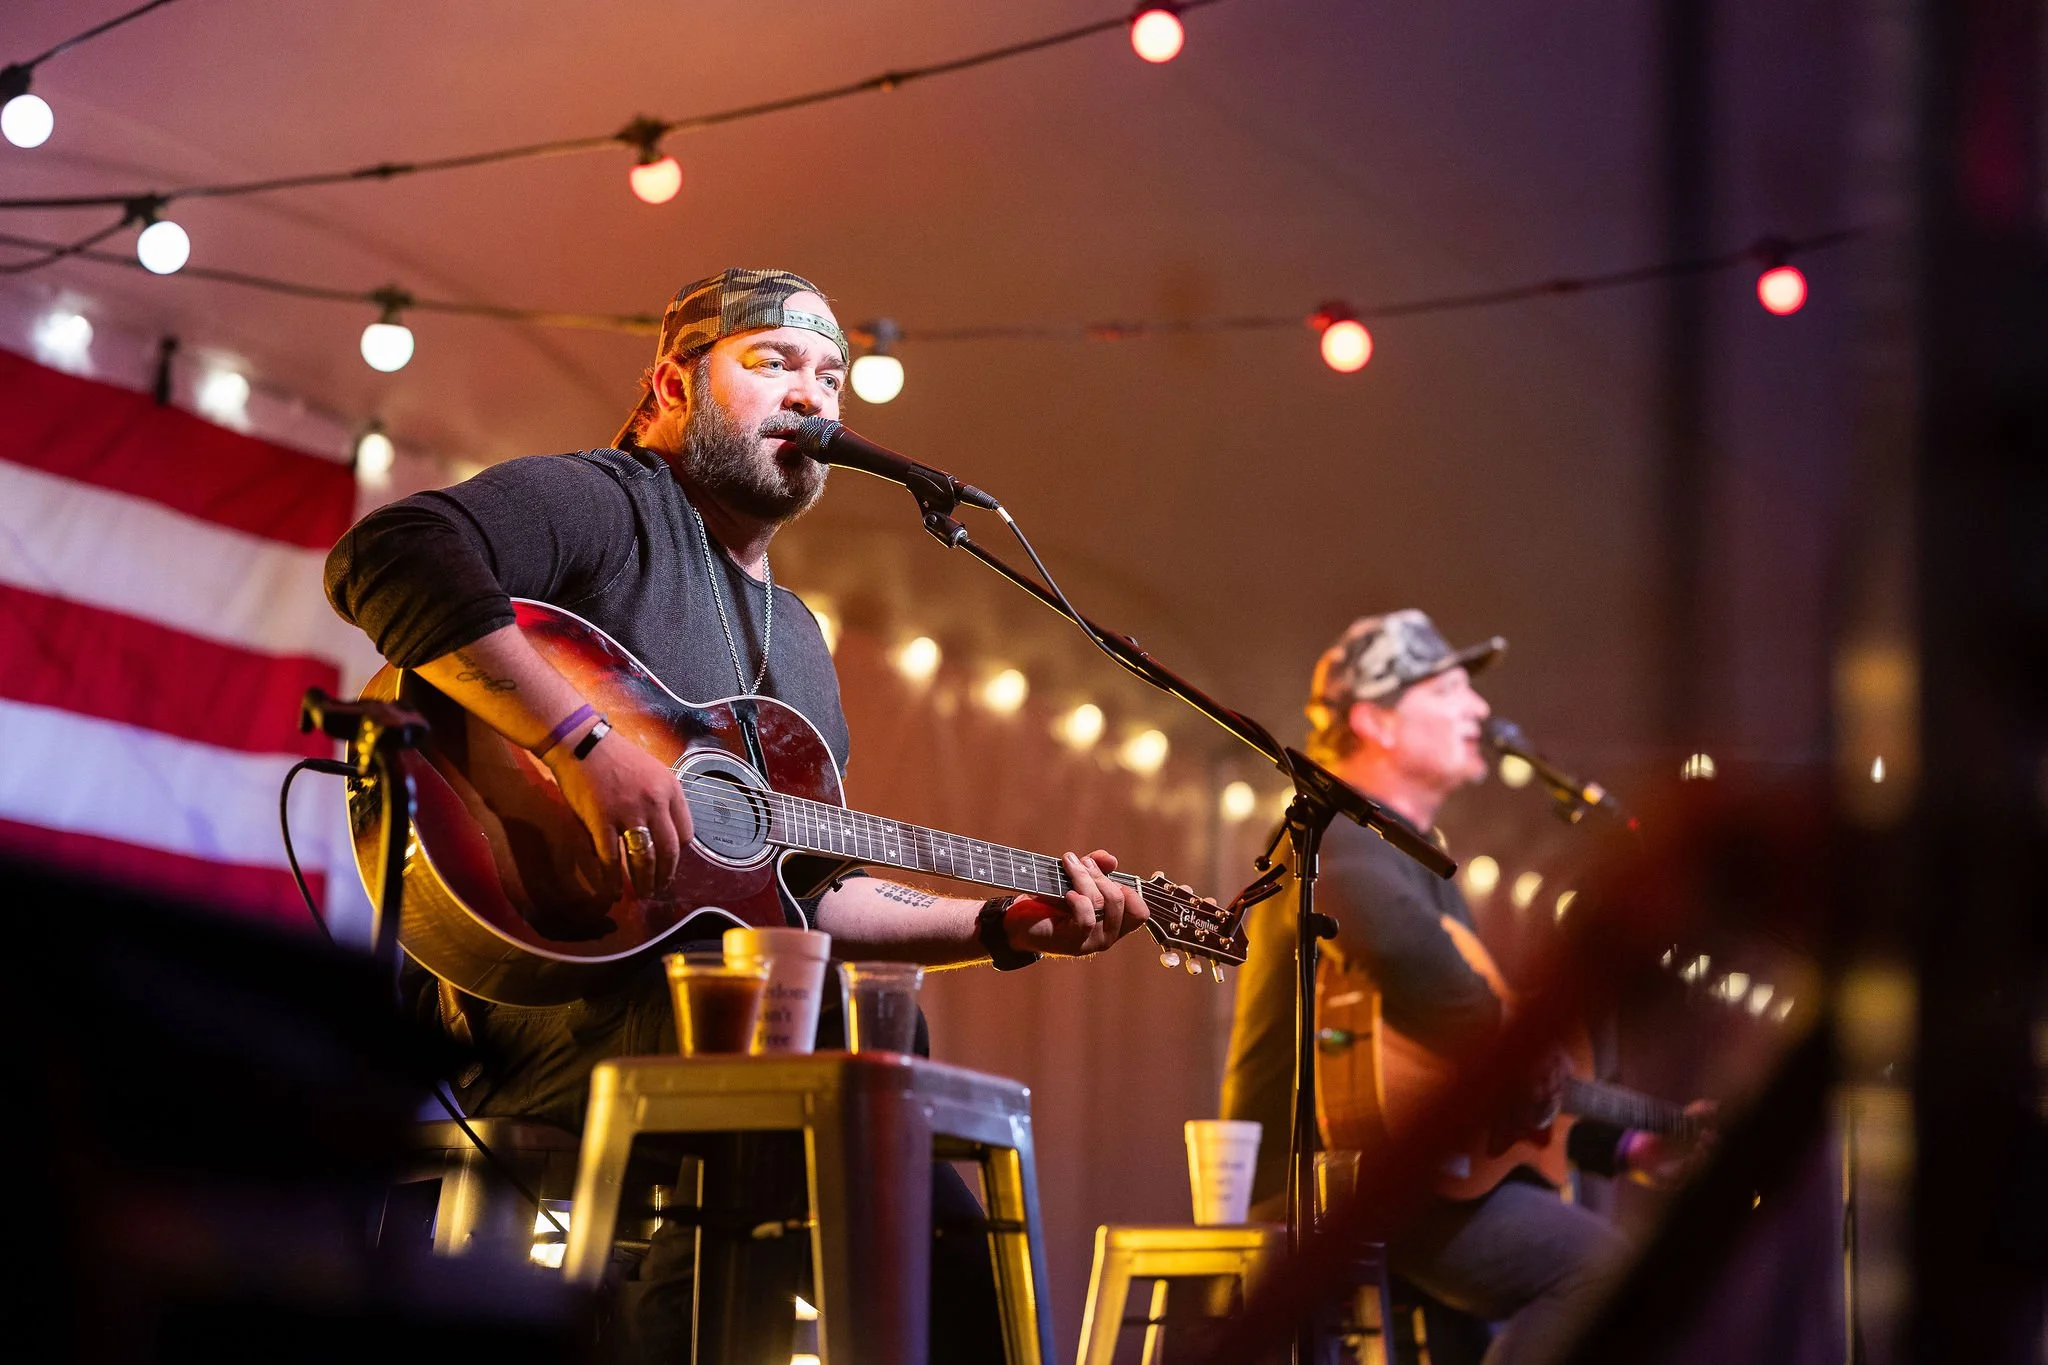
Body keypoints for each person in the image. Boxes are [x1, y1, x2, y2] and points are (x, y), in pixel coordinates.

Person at [324, 267, 1153, 1358]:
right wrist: (584, 745)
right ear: (673, 384)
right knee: (805, 1085)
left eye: (830, 376)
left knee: (922, 1187)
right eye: (771, 364)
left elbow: (808, 900)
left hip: (721, 1045)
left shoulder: (798, 640)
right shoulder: (609, 505)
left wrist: (1001, 927)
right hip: (556, 1000)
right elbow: (385, 557)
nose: (812, 396)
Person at [1219, 610, 1705, 1365]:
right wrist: (1522, 1054)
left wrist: (1625, 1138)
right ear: (1376, 719)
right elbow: (1408, 956)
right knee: (1611, 1276)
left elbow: (1481, 1053)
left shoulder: (1418, 855)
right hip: (1335, 1174)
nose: (1479, 708)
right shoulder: (1336, 831)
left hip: (1425, 1177)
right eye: (1447, 690)